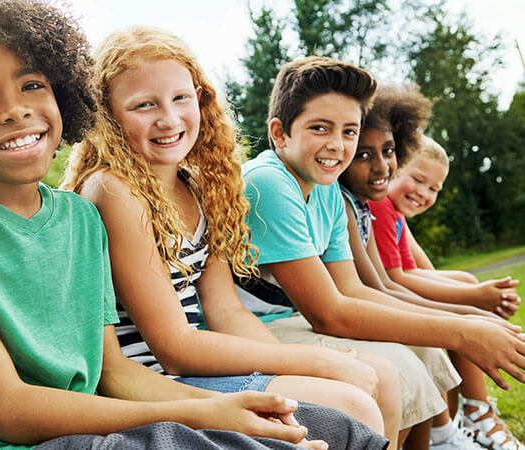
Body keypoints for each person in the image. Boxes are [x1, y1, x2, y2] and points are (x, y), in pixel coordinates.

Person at [0, 2, 344, 449]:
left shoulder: (77, 219)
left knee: (339, 429)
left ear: (64, 95)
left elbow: (114, 372)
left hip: (88, 429)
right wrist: (206, 415)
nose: (14, 109)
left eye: (32, 85)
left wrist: (226, 407)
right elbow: (4, 410)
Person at [62, 25, 393, 449]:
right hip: (154, 384)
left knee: (378, 378)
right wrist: (312, 360)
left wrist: (300, 368)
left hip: (194, 369)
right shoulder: (114, 189)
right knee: (353, 404)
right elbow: (174, 347)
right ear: (108, 116)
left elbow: (225, 311)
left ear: (201, 98)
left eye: (181, 98)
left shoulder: (199, 186)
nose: (168, 118)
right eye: (144, 105)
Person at [233, 56, 525, 449]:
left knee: (419, 350)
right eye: (320, 128)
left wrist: (466, 323)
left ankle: (443, 438)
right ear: (280, 133)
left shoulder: (327, 190)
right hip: (251, 331)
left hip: (291, 320)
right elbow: (329, 313)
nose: (337, 145)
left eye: (349, 131)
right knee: (396, 367)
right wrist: (462, 330)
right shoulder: (269, 182)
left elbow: (353, 290)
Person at [366, 132, 525, 450]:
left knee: (466, 282)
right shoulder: (380, 207)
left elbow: (417, 271)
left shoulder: (394, 214)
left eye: (434, 189)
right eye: (418, 180)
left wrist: (475, 290)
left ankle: (470, 414)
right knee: (464, 306)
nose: (424, 193)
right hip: (383, 297)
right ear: (393, 169)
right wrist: (475, 299)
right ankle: (472, 415)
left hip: (393, 289)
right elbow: (398, 279)